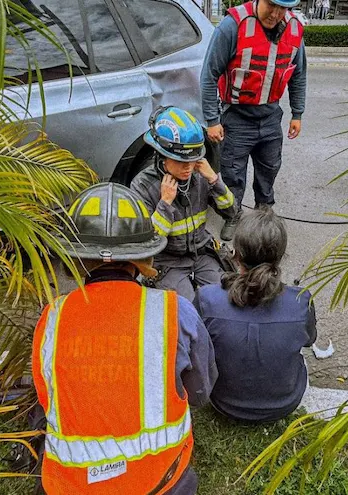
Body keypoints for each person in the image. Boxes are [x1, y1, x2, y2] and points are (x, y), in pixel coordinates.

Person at [31, 182, 218, 495]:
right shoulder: (174, 312)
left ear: (75, 258)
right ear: (143, 256)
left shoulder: (52, 319)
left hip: (70, 487)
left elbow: (47, 401)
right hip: (161, 482)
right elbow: (201, 391)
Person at [194, 207, 317, 422]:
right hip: (284, 404)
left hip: (224, 402)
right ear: (280, 256)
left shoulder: (207, 298)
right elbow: (309, 340)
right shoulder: (301, 301)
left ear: (237, 254)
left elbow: (195, 349)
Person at [201, 0, 307, 241]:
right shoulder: (232, 26)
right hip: (237, 116)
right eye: (272, 5)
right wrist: (212, 119)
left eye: (283, 9)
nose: (276, 14)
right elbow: (209, 76)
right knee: (232, 172)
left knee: (269, 169)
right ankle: (233, 213)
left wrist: (297, 113)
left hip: (271, 116)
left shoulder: (294, 29)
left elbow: (298, 74)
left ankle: (264, 211)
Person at [130, 106, 238, 302]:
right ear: (162, 156)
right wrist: (164, 204)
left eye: (193, 159)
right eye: (181, 161)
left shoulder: (201, 174)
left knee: (228, 298)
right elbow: (146, 244)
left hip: (202, 253)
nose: (189, 167)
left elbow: (231, 212)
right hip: (167, 261)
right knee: (187, 309)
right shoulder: (142, 185)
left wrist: (214, 180)